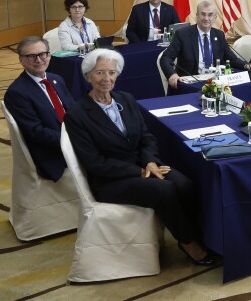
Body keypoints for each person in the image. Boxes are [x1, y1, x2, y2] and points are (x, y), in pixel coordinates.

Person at [64, 49, 217, 265]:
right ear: (88, 76)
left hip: (145, 165)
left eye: (112, 72)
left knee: (185, 185)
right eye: (100, 73)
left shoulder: (126, 99)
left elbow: (146, 137)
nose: (107, 78)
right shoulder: (77, 114)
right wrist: (140, 171)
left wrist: (150, 162)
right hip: (111, 179)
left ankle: (199, 234)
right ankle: (189, 243)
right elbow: (95, 162)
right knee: (165, 190)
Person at [4, 36, 75, 182]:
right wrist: (74, 141)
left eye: (43, 54)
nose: (39, 60)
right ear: (21, 60)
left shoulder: (57, 79)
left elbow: (74, 112)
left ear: (49, 55)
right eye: (31, 56)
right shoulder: (17, 92)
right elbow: (36, 132)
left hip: (74, 140)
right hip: (55, 153)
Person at [159, 0, 251, 89]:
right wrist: (172, 74)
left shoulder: (219, 35)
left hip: (215, 83)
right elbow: (166, 58)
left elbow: (231, 59)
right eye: (203, 14)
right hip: (192, 84)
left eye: (210, 15)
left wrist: (247, 66)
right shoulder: (183, 34)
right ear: (197, 15)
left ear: (215, 18)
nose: (206, 18)